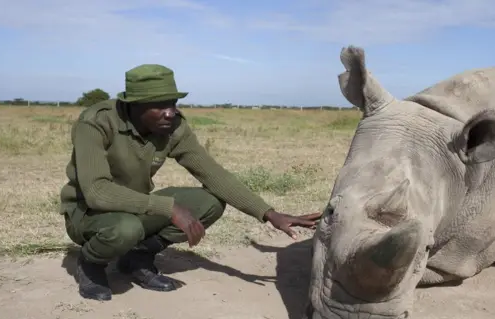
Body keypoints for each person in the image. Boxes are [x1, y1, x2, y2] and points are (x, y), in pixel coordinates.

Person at [59, 64, 322, 301]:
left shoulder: (173, 127)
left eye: (173, 103)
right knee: (125, 229)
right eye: (160, 106)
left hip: (133, 207)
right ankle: (91, 263)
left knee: (210, 202)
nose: (170, 113)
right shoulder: (96, 122)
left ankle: (136, 257)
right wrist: (169, 207)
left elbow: (213, 175)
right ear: (133, 106)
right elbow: (97, 192)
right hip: (88, 213)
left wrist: (269, 214)